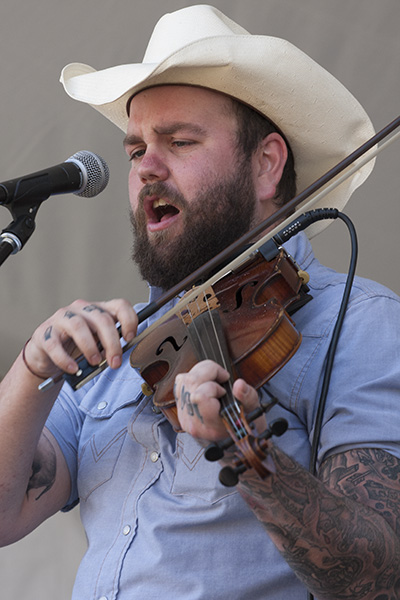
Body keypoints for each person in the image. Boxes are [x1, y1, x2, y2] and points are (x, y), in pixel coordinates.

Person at [0, 5, 399, 599]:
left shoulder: (362, 324)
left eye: (180, 141)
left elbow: (377, 575)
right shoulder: (122, 351)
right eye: (136, 150)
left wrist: (243, 450)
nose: (147, 167)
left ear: (266, 166)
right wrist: (31, 370)